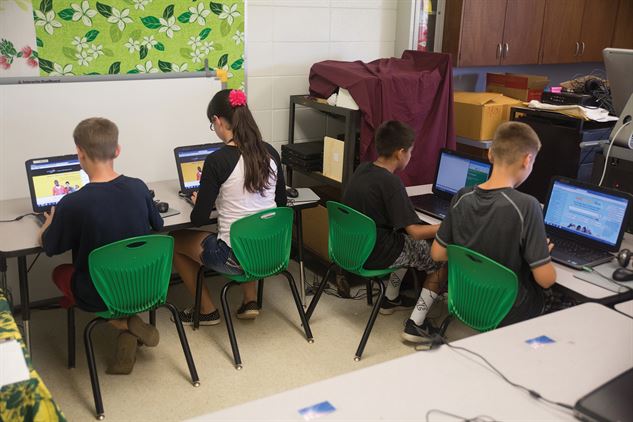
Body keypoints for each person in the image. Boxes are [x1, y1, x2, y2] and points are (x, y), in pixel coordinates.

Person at [40, 117, 164, 375]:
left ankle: (125, 324)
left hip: (100, 294)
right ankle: (130, 326)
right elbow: (159, 225)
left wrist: (47, 225)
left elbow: (50, 246)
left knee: (58, 272)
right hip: (146, 283)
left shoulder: (72, 203)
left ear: (80, 154)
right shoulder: (139, 187)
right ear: (117, 150)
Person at [429, 121, 559, 334]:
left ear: (490, 154)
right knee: (560, 298)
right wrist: (541, 252)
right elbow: (546, 280)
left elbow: (437, 253)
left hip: (465, 299)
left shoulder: (462, 196)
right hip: (508, 310)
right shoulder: (528, 206)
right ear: (527, 160)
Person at [171, 89, 286, 326]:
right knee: (251, 231)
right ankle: (250, 300)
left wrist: (200, 200)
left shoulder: (217, 160)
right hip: (273, 251)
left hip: (234, 258)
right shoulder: (271, 153)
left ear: (217, 120)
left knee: (174, 240)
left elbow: (199, 218)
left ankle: (206, 310)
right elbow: (282, 204)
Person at [342, 120, 446, 342]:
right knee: (441, 259)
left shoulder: (363, 169)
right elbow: (416, 232)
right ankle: (415, 324)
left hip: (351, 248)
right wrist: (445, 226)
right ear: (400, 153)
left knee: (404, 242)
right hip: (376, 252)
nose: (410, 156)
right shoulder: (391, 183)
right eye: (410, 152)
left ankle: (390, 298)